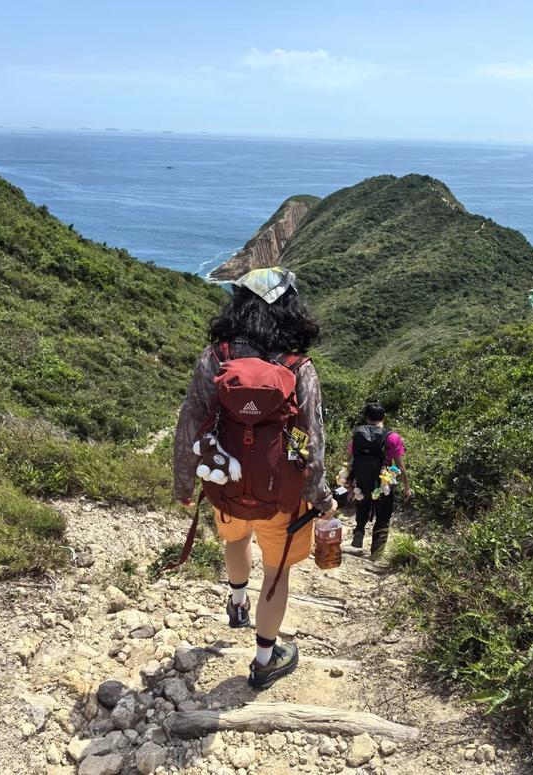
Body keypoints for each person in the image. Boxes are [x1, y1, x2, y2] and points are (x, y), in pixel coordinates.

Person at [173, 267, 337, 690]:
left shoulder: (216, 357)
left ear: (239, 305)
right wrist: (319, 497)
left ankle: (236, 601)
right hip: (281, 495)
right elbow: (313, 438)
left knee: (235, 539)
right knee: (277, 573)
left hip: (225, 483)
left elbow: (190, 419)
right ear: (290, 309)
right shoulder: (299, 366)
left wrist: (184, 482)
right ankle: (265, 660)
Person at [348, 402, 411, 557]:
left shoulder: (357, 434)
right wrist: (406, 487)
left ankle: (360, 530)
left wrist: (348, 480)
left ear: (366, 417)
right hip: (385, 482)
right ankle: (376, 553)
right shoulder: (392, 437)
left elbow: (349, 459)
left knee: (362, 504)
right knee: (383, 516)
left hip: (361, 479)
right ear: (384, 416)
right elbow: (400, 466)